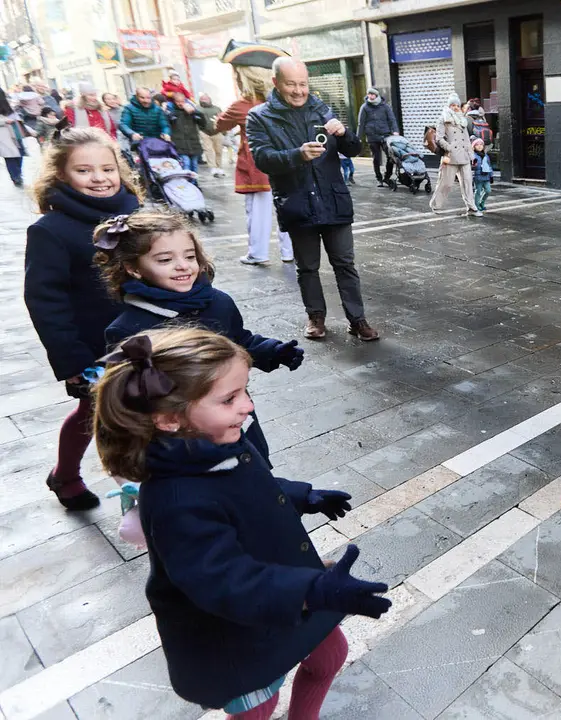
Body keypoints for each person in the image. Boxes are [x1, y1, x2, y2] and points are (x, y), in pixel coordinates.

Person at [91, 327, 390, 719]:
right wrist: (312, 590)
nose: (246, 406)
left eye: (246, 392)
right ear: (168, 419)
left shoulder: (217, 440)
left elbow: (250, 487)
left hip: (285, 590)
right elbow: (222, 579)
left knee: (330, 654)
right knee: (257, 706)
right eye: (230, 398)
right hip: (237, 632)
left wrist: (302, 496)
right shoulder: (175, 499)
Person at [96, 209, 304, 460]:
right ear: (134, 268)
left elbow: (239, 341)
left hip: (236, 416)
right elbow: (132, 401)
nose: (182, 266)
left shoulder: (219, 302)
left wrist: (271, 351)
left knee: (254, 469)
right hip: (184, 438)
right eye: (165, 260)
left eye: (190, 256)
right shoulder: (129, 330)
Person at [23, 127, 142, 510]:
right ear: (61, 176)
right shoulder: (50, 231)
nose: (99, 178)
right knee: (95, 413)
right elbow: (45, 300)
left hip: (146, 336)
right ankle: (69, 476)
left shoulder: (139, 215)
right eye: (85, 170)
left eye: (107, 169)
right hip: (93, 348)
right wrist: (70, 358)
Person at [247, 57, 379, 341]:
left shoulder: (322, 108)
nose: (298, 90)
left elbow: (354, 148)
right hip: (297, 202)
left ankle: (358, 320)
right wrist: (297, 155)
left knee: (345, 263)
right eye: (291, 84)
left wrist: (344, 133)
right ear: (276, 83)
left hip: (333, 200)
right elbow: (262, 158)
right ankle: (316, 317)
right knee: (307, 267)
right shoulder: (260, 116)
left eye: (303, 84)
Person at [216, 62, 294, 267]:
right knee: (285, 208)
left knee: (258, 211)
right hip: (282, 160)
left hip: (256, 163)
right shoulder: (281, 102)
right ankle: (289, 251)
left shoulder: (242, 105)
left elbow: (219, 125)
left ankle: (258, 252)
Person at [429, 93, 479, 216]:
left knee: (467, 182)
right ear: (449, 105)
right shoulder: (443, 119)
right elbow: (439, 138)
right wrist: (449, 147)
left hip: (464, 156)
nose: (455, 107)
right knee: (446, 183)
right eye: (452, 105)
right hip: (449, 156)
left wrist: (472, 155)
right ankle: (436, 205)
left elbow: (467, 140)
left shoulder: (462, 120)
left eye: (457, 105)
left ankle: (472, 208)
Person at [356, 88, 398, 187]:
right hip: (372, 136)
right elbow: (361, 123)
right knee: (376, 158)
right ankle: (379, 178)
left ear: (376, 95)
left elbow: (392, 119)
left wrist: (395, 131)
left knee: (390, 156)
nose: (370, 96)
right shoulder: (365, 107)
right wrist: (358, 137)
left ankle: (387, 177)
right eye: (369, 94)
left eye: (372, 94)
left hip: (385, 135)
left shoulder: (385, 106)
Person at [164, 90, 206, 175]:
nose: (180, 104)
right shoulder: (171, 112)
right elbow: (167, 122)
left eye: (182, 101)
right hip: (180, 144)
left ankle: (194, 184)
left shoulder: (192, 111)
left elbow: (203, 124)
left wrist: (195, 112)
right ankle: (186, 184)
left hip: (193, 143)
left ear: (185, 101)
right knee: (186, 164)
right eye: (178, 102)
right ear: (174, 102)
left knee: (194, 165)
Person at [197, 93, 226, 178]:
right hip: (204, 132)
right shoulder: (197, 109)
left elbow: (222, 119)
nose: (204, 101)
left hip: (217, 132)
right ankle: (213, 167)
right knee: (208, 150)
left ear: (210, 100)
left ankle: (219, 167)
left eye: (206, 99)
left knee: (218, 151)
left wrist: (224, 131)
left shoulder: (217, 109)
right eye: (202, 99)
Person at [1, 90, 25, 187]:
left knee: (20, 154)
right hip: (4, 134)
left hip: (15, 132)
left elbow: (16, 115)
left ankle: (17, 174)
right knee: (10, 157)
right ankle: (16, 177)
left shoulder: (8, 104)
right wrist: (5, 121)